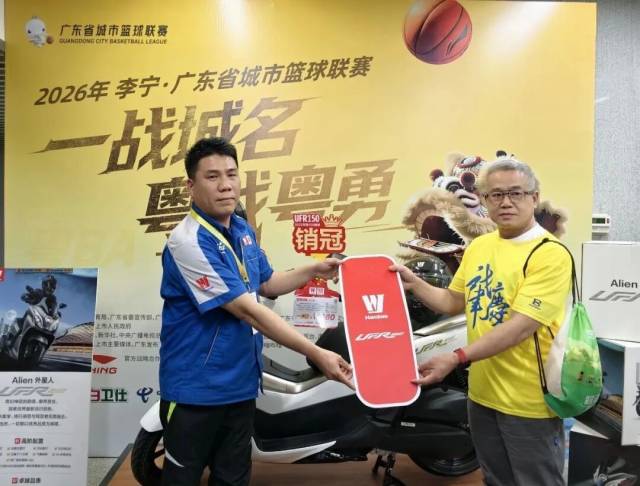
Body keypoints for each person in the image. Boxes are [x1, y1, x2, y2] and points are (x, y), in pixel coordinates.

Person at [158, 137, 353, 486]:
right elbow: (249, 312)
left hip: (241, 385)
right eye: (212, 176)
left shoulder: (242, 229)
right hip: (196, 391)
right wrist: (316, 353)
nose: (225, 185)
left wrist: (314, 269)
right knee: (181, 480)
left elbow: (267, 283)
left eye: (231, 174)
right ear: (191, 185)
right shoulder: (188, 241)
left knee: (233, 478)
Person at [391, 158, 571, 486]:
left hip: (528, 401)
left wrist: (456, 358)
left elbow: (520, 327)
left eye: (516, 193)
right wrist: (414, 283)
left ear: (534, 197)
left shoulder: (549, 254)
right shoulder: (479, 247)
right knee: (495, 479)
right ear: (484, 200)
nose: (506, 202)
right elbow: (452, 301)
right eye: (495, 194)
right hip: (482, 395)